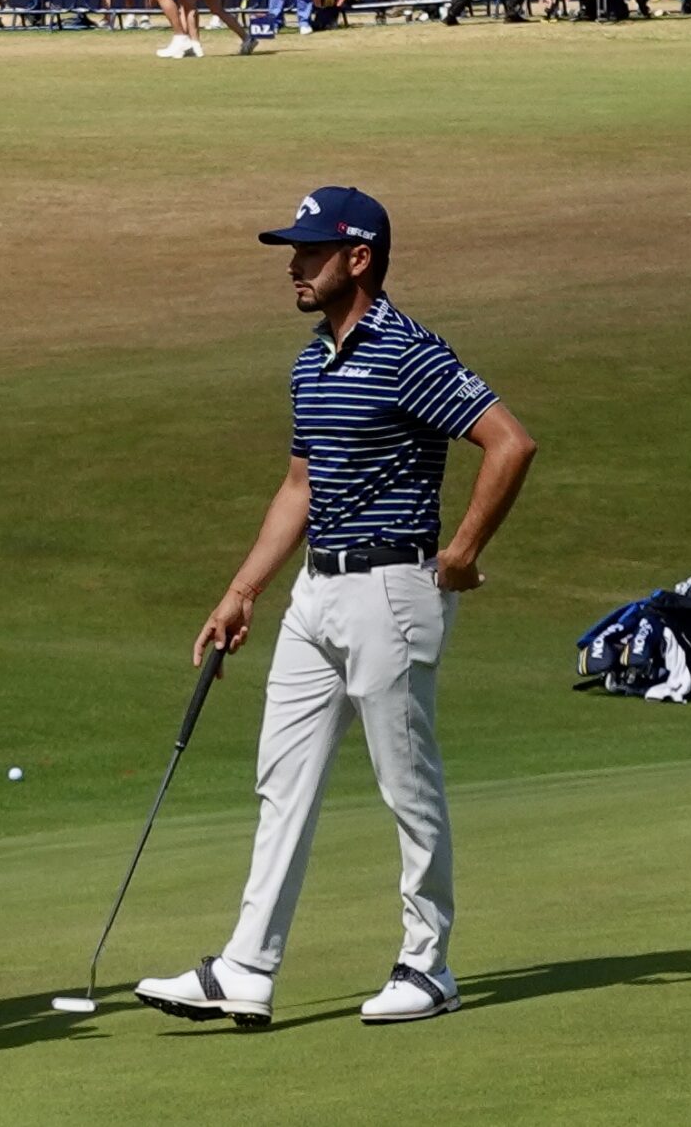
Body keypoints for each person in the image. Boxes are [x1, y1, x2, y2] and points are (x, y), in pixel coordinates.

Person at [135, 185, 535, 1030]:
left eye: (310, 252)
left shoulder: (407, 351)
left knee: (405, 785)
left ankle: (428, 965)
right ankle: (247, 965)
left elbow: (509, 441)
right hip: (315, 592)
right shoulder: (311, 360)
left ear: (359, 259)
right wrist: (243, 590)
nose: (293, 265)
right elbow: (299, 487)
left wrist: (463, 551)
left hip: (393, 590)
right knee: (282, 781)